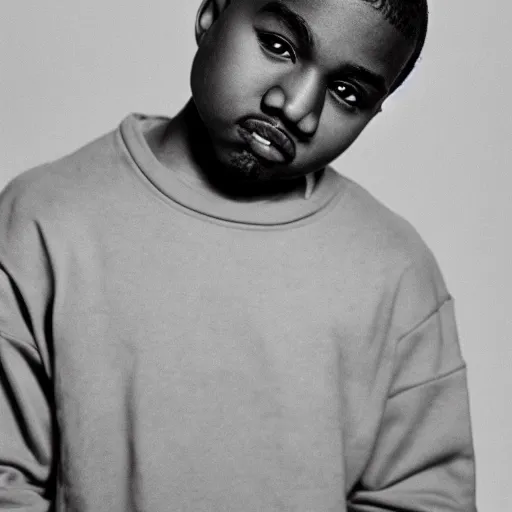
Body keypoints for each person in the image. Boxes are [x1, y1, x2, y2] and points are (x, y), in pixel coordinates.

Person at [0, 0, 477, 510]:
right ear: (212, 14)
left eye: (347, 93)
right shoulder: (45, 219)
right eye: (279, 45)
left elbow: (424, 498)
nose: (296, 106)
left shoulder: (397, 271)